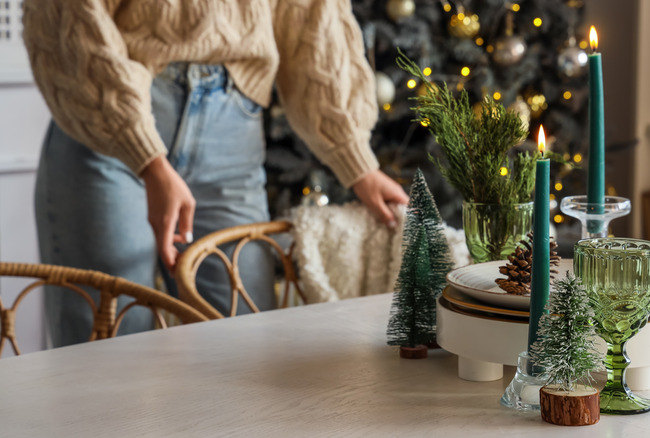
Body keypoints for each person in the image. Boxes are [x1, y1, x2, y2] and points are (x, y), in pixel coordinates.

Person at [22, 0, 409, 347]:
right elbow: (66, 14)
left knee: (248, 347)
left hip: (233, 131)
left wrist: (356, 162)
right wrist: (146, 157)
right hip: (107, 121)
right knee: (107, 345)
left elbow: (312, 14)